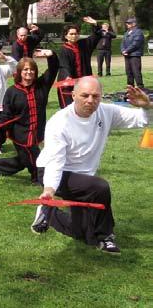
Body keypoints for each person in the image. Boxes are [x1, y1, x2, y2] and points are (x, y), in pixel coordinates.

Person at [31, 76, 153, 255]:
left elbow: (143, 121)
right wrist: (49, 190)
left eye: (96, 96)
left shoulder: (106, 112)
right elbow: (55, 162)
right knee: (99, 187)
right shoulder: (59, 123)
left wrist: (147, 106)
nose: (90, 101)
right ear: (73, 95)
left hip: (84, 177)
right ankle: (106, 236)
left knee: (82, 232)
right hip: (55, 173)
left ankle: (49, 213)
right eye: (85, 95)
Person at [0, 50, 59, 181]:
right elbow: (7, 114)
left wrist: (51, 54)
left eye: (32, 70)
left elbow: (54, 68)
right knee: (35, 157)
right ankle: (38, 178)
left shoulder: (42, 85)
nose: (29, 72)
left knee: (24, 159)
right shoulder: (12, 92)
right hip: (20, 133)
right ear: (20, 71)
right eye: (25, 69)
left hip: (37, 131)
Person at [57, 16, 102, 108]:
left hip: (84, 81)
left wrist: (95, 24)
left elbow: (96, 36)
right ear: (66, 36)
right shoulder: (63, 50)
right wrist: (67, 75)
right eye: (71, 34)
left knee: (85, 106)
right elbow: (63, 65)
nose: (74, 36)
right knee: (70, 108)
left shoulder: (84, 44)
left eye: (76, 33)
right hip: (68, 82)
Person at [121, 17, 145, 88]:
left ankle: (140, 85)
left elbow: (136, 44)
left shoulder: (138, 32)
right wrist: (123, 50)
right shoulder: (126, 33)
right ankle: (130, 85)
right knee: (128, 71)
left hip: (135, 55)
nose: (127, 24)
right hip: (127, 55)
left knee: (136, 71)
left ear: (134, 24)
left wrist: (126, 50)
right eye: (127, 23)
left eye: (129, 23)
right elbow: (122, 43)